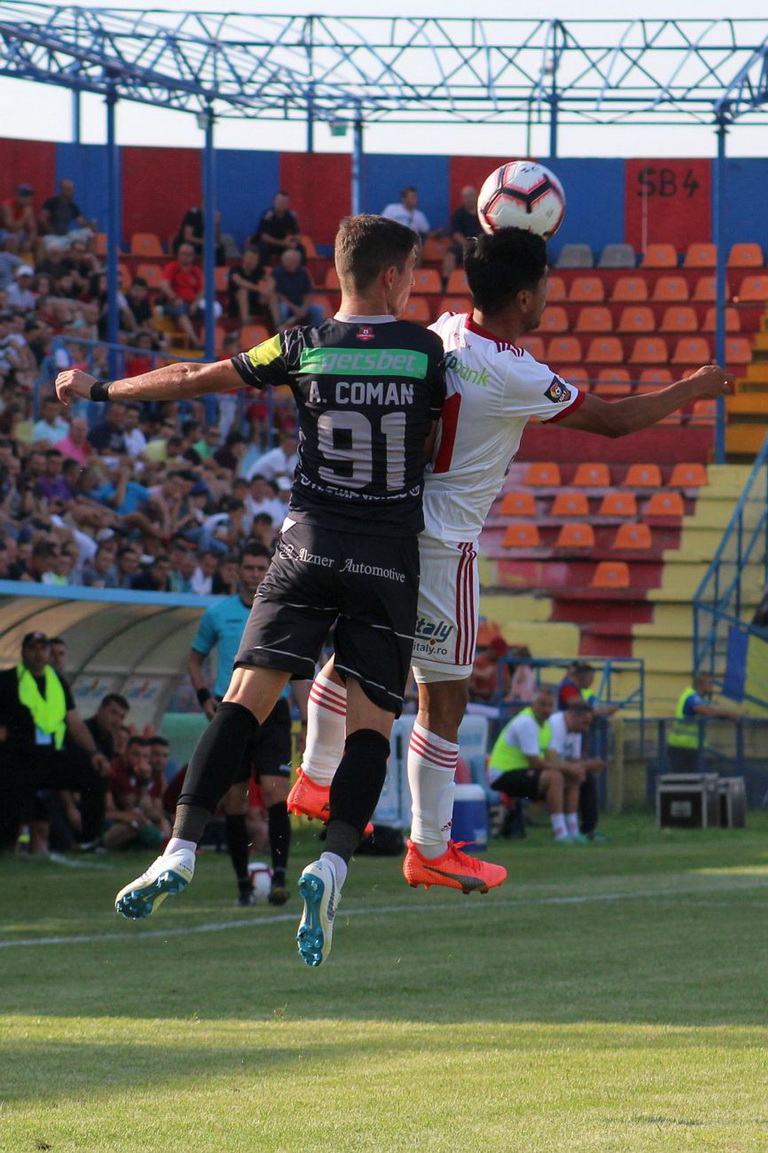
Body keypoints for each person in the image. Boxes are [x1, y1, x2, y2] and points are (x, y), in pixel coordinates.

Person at [289, 226, 734, 890]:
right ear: (526, 298)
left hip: (387, 519)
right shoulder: (515, 371)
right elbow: (612, 421)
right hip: (444, 542)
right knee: (446, 699)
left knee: (357, 652)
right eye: (547, 286)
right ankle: (430, 847)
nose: (549, 295)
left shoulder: (438, 331)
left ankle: (312, 780)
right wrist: (692, 388)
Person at [55, 212, 446, 967]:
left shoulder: (301, 344)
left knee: (242, 701)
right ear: (396, 277)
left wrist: (100, 387)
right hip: (386, 558)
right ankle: (331, 864)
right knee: (370, 726)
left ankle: (179, 845)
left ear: (339, 272)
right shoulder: (426, 351)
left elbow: (194, 376)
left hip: (306, 548)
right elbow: (441, 441)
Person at [188, 540, 304, 906]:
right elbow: (195, 659)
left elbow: (300, 671)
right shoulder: (218, 614)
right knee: (235, 801)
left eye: (260, 568)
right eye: (249, 568)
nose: (254, 574)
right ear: (236, 571)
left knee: (275, 792)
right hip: (232, 708)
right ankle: (243, 886)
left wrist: (308, 720)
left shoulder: (281, 611)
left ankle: (281, 878)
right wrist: (204, 696)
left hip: (275, 711)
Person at [0, 631, 110, 852]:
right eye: (33, 648)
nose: (38, 654)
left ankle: (89, 840)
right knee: (12, 805)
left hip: (50, 756)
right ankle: (6, 846)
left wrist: (94, 753)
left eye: (43, 648)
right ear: (23, 652)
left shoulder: (57, 681)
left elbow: (74, 721)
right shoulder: (8, 679)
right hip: (18, 758)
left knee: (94, 772)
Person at [488, 686, 586, 843]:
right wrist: (568, 767)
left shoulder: (547, 726)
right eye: (542, 704)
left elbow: (550, 758)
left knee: (572, 777)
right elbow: (535, 762)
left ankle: (573, 829)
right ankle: (560, 832)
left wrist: (571, 770)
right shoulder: (526, 722)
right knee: (555, 777)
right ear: (533, 704)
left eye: (550, 705)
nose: (547, 709)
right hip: (503, 774)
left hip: (523, 773)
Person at [557, 660, 618, 841]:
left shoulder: (578, 694)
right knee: (581, 777)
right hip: (562, 747)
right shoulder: (568, 688)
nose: (591, 682)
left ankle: (581, 829)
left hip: (570, 744)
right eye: (590, 678)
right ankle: (574, 830)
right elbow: (577, 705)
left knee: (583, 777)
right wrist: (604, 711)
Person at [667, 671, 743, 773]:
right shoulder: (692, 697)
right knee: (684, 781)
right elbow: (706, 710)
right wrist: (728, 715)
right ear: (701, 685)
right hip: (682, 747)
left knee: (694, 781)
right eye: (710, 684)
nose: (712, 688)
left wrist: (730, 714)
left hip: (690, 747)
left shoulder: (698, 698)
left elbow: (712, 708)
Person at [158, 242, 205, 349]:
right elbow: (164, 284)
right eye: (184, 253)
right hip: (173, 303)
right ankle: (195, 342)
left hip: (191, 303)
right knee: (180, 310)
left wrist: (195, 304)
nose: (186, 256)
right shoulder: (173, 267)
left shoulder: (196, 271)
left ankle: (211, 342)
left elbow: (201, 290)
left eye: (189, 254)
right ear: (178, 254)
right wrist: (175, 298)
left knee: (210, 312)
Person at [272, 248, 324, 330]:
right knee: (283, 308)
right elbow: (279, 295)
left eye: (294, 260)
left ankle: (316, 336)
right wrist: (295, 308)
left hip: (301, 305)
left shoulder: (303, 272)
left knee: (318, 310)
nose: (291, 263)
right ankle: (281, 332)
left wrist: (304, 308)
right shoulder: (277, 272)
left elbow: (309, 293)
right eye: (289, 260)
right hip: (286, 304)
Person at [228, 247, 279, 329]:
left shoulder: (259, 270)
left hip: (255, 302)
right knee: (243, 291)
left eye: (255, 259)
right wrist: (259, 289)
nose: (252, 262)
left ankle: (278, 325)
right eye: (250, 258)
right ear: (244, 258)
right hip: (236, 305)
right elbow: (239, 281)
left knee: (272, 295)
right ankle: (246, 323)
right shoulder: (235, 269)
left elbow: (271, 280)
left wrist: (267, 290)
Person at [250, 191, 304, 267]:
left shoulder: (291, 215)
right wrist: (282, 243)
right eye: (281, 201)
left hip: (282, 244)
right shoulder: (268, 215)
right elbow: (264, 237)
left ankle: (299, 272)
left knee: (300, 248)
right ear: (274, 201)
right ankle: (264, 271)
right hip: (268, 243)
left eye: (285, 201)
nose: (283, 203)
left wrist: (294, 242)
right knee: (262, 248)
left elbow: (297, 233)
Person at [39, 179, 94, 252]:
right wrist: (52, 231)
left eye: (72, 189)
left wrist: (91, 225)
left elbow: (81, 223)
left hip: (66, 235)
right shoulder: (52, 202)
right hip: (53, 236)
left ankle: (91, 257)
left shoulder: (72, 206)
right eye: (69, 189)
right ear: (62, 190)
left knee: (89, 233)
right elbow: (42, 219)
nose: (72, 191)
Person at [442, 185, 482, 282]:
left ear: (476, 196)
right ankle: (446, 284)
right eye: (466, 196)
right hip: (464, 246)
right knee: (451, 254)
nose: (469, 199)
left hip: (483, 245)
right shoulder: (458, 214)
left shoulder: (484, 212)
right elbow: (456, 233)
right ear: (462, 199)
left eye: (471, 195)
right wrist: (467, 245)